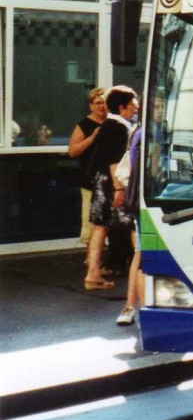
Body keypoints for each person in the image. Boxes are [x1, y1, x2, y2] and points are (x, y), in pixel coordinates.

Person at [84, 86, 139, 290]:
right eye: (132, 104)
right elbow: (114, 161)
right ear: (122, 107)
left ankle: (93, 275)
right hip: (113, 183)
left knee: (101, 226)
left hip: (102, 182)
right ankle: (144, 272)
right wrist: (119, 189)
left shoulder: (109, 125)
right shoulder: (119, 128)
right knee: (132, 224)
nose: (135, 107)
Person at [68, 88, 108, 248]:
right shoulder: (84, 125)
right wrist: (93, 137)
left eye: (104, 102)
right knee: (90, 222)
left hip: (110, 179)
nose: (102, 106)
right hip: (90, 180)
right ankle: (90, 258)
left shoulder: (112, 122)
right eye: (98, 103)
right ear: (91, 105)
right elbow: (73, 151)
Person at [116, 125, 143, 326]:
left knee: (140, 255)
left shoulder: (138, 131)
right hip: (147, 203)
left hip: (140, 202)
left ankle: (130, 307)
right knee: (144, 257)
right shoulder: (145, 132)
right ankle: (140, 310)